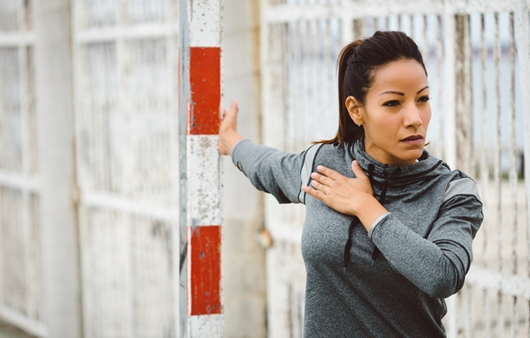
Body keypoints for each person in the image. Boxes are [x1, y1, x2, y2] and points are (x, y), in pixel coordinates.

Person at [218, 31, 483, 337]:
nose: (415, 118)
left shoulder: (453, 191)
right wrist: (231, 141)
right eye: (394, 103)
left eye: (422, 99)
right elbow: (269, 165)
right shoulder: (324, 165)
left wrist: (365, 206)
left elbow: (443, 275)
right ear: (357, 110)